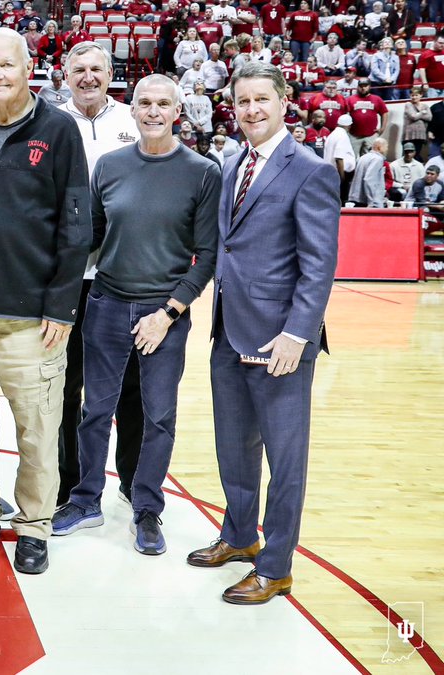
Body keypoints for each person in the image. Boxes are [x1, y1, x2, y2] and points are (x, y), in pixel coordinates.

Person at [187, 60, 339, 605]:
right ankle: (239, 537)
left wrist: (299, 333)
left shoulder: (310, 169)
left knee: (284, 456)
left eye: (261, 100)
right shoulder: (233, 161)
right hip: (228, 329)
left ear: (283, 101)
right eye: (243, 101)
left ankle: (275, 567)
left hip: (280, 339)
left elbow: (319, 263)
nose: (251, 110)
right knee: (234, 446)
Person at [0, 27, 89, 576]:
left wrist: (61, 305)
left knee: (36, 428)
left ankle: (33, 526)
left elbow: (77, 224)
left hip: (34, 316)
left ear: (29, 67)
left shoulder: (59, 129)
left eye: (7, 65)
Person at [53, 74, 219, 554]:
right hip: (105, 304)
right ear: (132, 110)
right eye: (144, 102)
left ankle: (147, 509)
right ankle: (85, 500)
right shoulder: (108, 166)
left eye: (162, 104)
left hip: (162, 314)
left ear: (176, 112)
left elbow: (207, 255)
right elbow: (91, 234)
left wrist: (168, 312)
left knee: (157, 415)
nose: (152, 111)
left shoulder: (202, 172)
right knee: (94, 411)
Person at [58, 41, 140, 507]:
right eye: (78, 69)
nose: (88, 77)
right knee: (64, 388)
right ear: (63, 74)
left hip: (121, 277)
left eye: (96, 69)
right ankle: (68, 482)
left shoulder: (135, 120)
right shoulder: (49, 122)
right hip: (68, 279)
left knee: (131, 386)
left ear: (110, 74)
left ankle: (132, 482)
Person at [349, 136, 389, 206]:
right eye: (386, 147)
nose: (387, 149)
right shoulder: (377, 159)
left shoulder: (362, 157)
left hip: (356, 198)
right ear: (379, 147)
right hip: (368, 201)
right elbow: (369, 180)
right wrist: (371, 201)